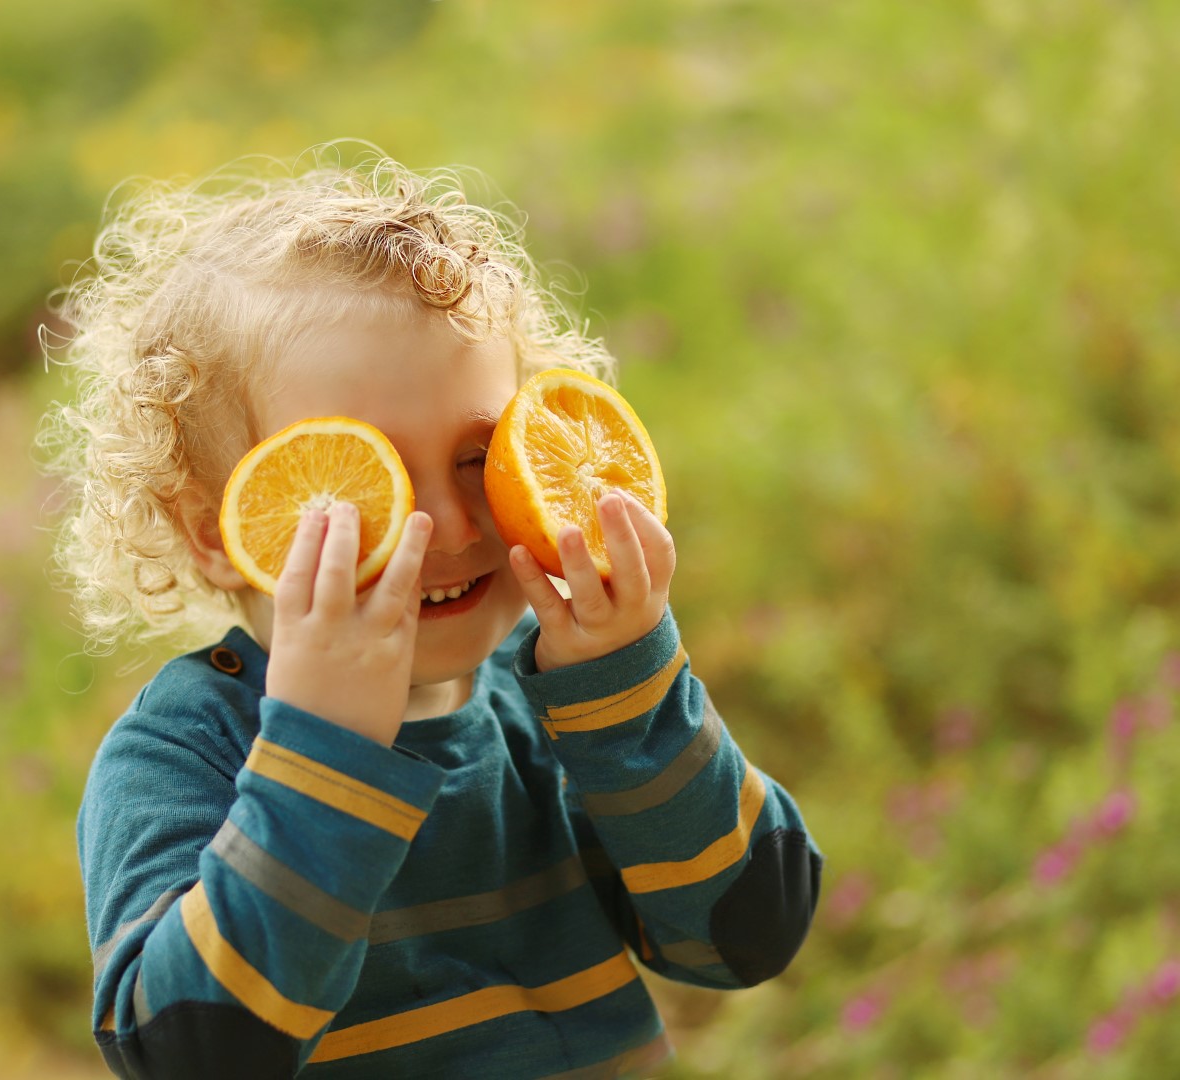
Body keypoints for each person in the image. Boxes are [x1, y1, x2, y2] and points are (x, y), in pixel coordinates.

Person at [41, 150, 822, 1079]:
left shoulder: (561, 701)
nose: (449, 525)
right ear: (217, 530)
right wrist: (325, 754)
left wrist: (631, 687)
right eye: (361, 477)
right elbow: (192, 1055)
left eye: (476, 456)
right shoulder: (181, 754)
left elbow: (746, 935)